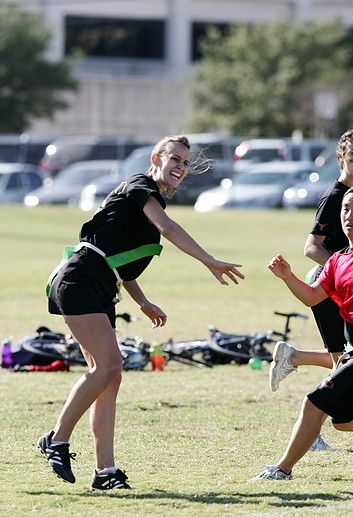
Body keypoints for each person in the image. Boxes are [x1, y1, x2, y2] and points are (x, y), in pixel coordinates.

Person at [38, 134, 244, 490]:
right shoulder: (139, 185)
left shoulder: (149, 207)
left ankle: (105, 471)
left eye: (185, 163)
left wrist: (143, 301)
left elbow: (120, 265)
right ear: (156, 158)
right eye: (174, 159)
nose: (180, 167)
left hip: (101, 285)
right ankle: (56, 438)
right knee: (109, 366)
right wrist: (209, 260)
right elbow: (166, 227)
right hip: (79, 278)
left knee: (109, 375)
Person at [252, 184, 353, 481]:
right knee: (347, 422)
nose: (349, 215)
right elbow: (313, 296)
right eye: (345, 209)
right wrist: (288, 276)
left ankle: (281, 470)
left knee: (314, 402)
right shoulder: (338, 259)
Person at [269, 129, 353, 451]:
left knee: (346, 358)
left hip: (344, 284)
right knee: (343, 362)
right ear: (340, 158)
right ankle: (312, 431)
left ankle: (295, 357)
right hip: (327, 281)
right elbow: (310, 246)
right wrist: (343, 268)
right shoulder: (335, 197)